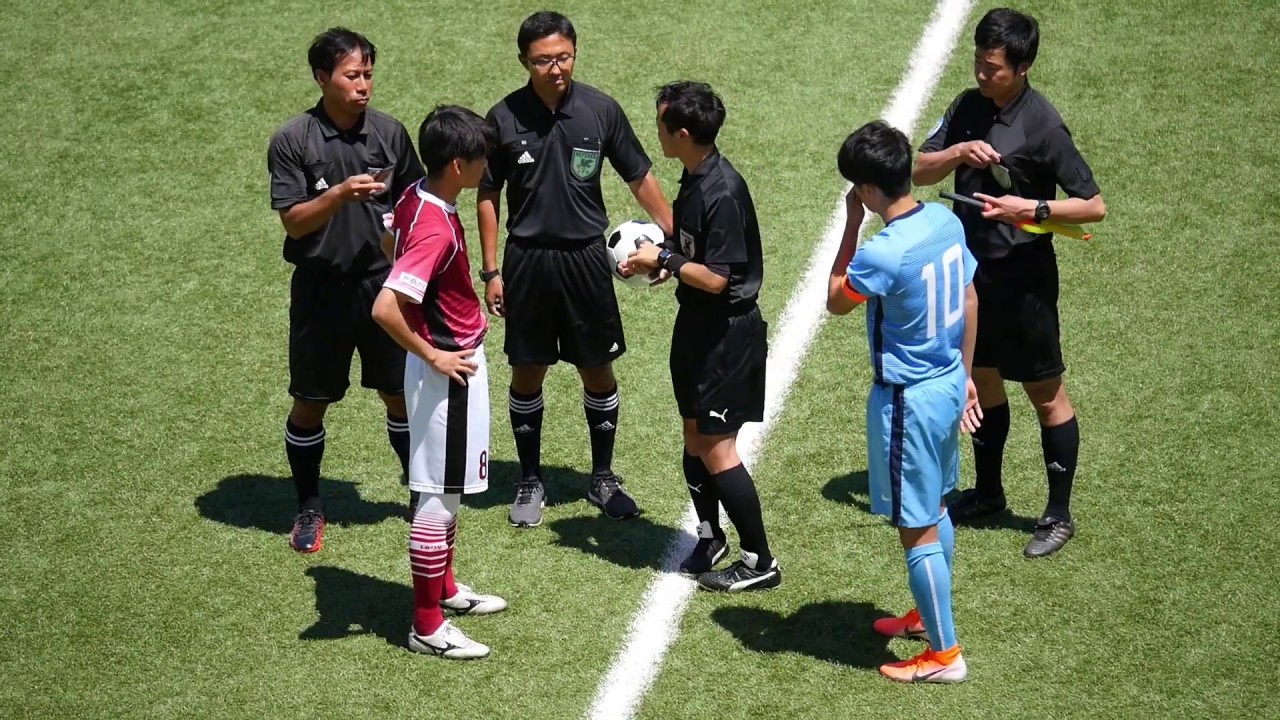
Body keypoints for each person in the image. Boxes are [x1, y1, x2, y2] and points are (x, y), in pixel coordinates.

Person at [912, 7, 1107, 558]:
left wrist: (1034, 206)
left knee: (1045, 393)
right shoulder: (966, 106)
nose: (981, 74)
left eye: (992, 67)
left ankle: (1057, 513)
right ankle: (990, 492)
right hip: (971, 274)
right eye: (977, 62)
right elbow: (919, 169)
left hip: (1024, 278)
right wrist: (955, 152)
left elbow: (1094, 207)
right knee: (983, 380)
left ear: (1022, 68)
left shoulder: (1043, 125)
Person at [477, 11, 674, 528]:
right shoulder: (503, 118)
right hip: (527, 261)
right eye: (544, 60)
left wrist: (673, 237)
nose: (556, 68)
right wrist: (492, 271)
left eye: (563, 56)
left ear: (574, 54)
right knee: (527, 371)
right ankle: (528, 479)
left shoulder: (600, 111)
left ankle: (603, 477)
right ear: (525, 61)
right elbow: (488, 194)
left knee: (598, 368)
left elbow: (640, 175)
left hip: (587, 259)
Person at [826, 121, 981, 683]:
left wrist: (849, 228)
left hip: (908, 402)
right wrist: (965, 375)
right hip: (946, 383)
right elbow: (969, 297)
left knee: (915, 526)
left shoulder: (883, 253)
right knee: (936, 505)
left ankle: (945, 655)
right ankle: (925, 617)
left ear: (868, 191)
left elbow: (836, 300)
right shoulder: (945, 220)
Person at [266, 27, 425, 553]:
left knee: (399, 394)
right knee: (310, 401)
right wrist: (338, 195)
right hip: (320, 291)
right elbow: (293, 223)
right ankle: (309, 507)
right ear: (321, 77)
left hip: (382, 289)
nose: (364, 85)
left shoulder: (389, 133)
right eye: (352, 75)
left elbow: (415, 206)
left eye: (368, 75)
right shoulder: (293, 140)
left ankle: (419, 491)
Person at [625, 81, 779, 592]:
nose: (657, 132)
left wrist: (664, 259)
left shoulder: (723, 191)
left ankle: (760, 562)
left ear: (683, 133)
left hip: (726, 337)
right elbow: (694, 254)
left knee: (717, 448)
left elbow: (718, 278)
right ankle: (711, 534)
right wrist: (668, 258)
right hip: (695, 326)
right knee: (694, 435)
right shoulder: (692, 176)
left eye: (661, 124)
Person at [372, 105, 508, 660]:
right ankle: (426, 626)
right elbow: (385, 307)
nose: (487, 167)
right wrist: (435, 353)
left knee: (445, 490)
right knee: (438, 497)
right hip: (447, 373)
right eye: (481, 159)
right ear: (458, 164)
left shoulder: (416, 194)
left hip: (449, 364)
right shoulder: (433, 225)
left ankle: (446, 590)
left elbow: (388, 242)